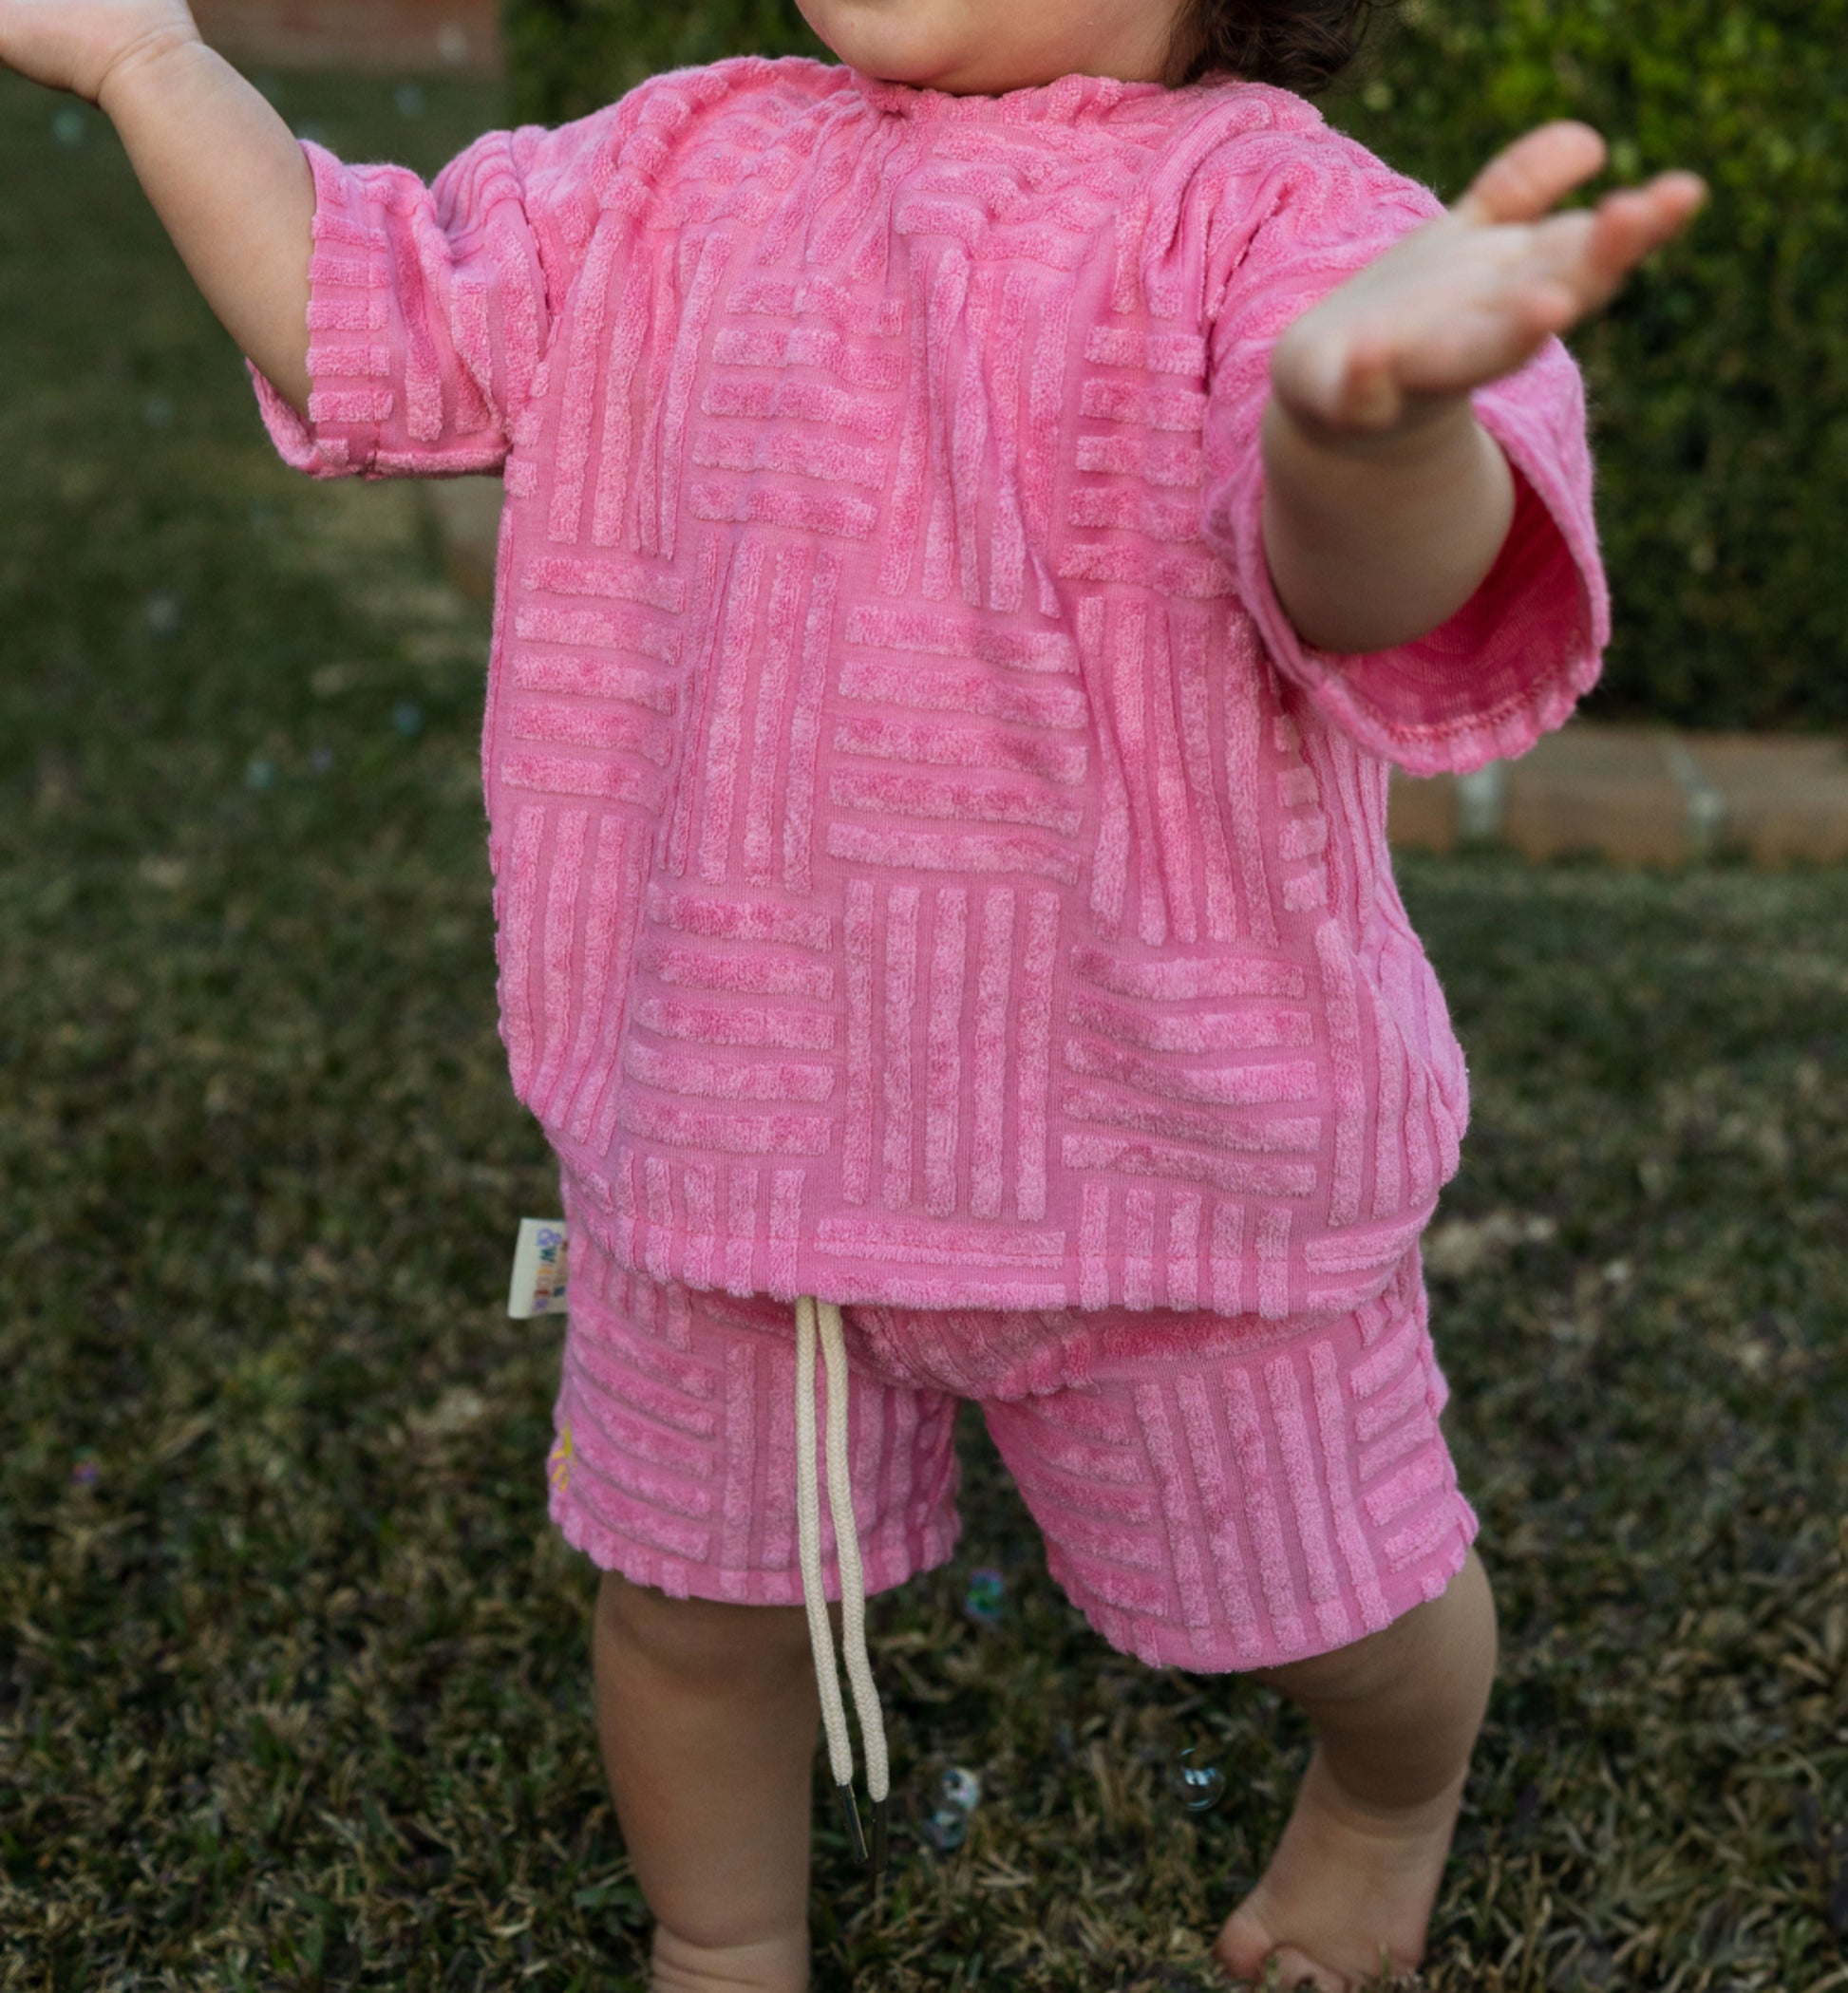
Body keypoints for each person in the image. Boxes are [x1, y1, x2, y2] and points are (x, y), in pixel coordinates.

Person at [0, 0, 1704, 1985]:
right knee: (681, 1611)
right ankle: (721, 1943)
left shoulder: (1276, 217)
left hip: (1168, 1160)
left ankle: (1388, 1798)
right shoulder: (674, 162)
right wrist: (148, 63)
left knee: (1344, 1601)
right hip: (727, 1131)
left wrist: (1364, 430)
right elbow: (365, 310)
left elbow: (1366, 587)